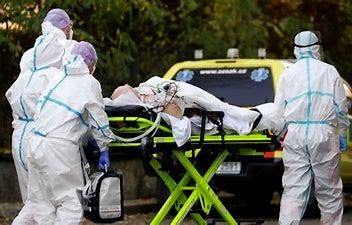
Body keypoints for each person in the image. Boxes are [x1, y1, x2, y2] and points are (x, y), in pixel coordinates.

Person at [23, 41, 115, 224]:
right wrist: (104, 148)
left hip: (34, 143)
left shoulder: (58, 77)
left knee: (42, 205)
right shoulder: (89, 82)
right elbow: (98, 119)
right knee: (71, 203)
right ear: (90, 65)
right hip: (59, 149)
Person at [6, 8, 75, 224]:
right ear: (65, 28)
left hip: (20, 136)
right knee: (53, 206)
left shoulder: (30, 59)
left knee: (33, 203)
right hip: (45, 139)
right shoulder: (67, 51)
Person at [275, 31, 349, 225]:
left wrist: (281, 133)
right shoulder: (329, 71)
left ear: (295, 49)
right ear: (317, 47)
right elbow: (341, 108)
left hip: (296, 134)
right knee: (329, 189)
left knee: (294, 188)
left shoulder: (287, 74)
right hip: (323, 133)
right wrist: (342, 133)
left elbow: (279, 110)